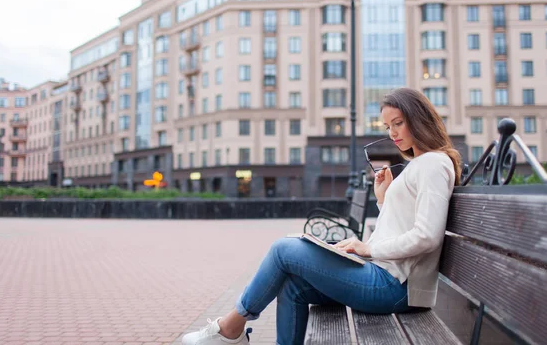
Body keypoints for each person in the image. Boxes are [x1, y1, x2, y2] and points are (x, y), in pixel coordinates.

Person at [182, 88, 462, 345]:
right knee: (293, 286)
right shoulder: (422, 164)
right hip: (387, 277)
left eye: (398, 123)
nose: (392, 133)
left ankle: (231, 328)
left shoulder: (433, 164)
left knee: (283, 250)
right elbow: (406, 223)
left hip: (395, 287)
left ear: (419, 117)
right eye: (388, 126)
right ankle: (233, 329)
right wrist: (383, 198)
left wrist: (369, 248)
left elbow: (427, 235)